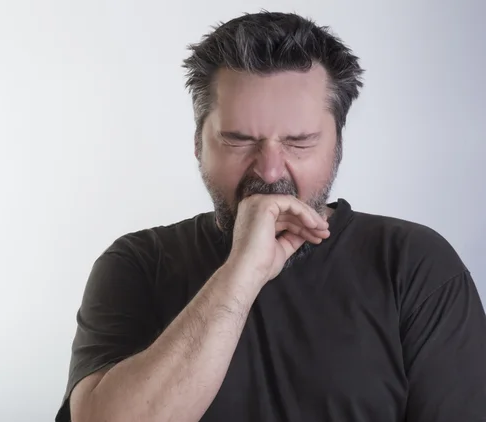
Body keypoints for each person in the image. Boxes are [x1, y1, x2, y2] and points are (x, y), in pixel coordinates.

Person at [55, 11, 486, 422]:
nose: (270, 171)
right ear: (197, 145)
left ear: (337, 146)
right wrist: (241, 274)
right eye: (239, 140)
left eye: (299, 142)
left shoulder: (414, 264)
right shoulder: (137, 264)